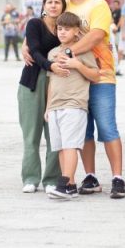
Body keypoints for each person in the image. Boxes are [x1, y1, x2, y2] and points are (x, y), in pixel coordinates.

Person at [26, 0, 125, 198]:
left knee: (107, 127)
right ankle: (90, 177)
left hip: (100, 74)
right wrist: (25, 44)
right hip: (72, 81)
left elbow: (96, 35)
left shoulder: (97, 4)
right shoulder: (62, 6)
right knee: (84, 132)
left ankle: (118, 178)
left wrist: (70, 54)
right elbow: (44, 25)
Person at [45, 11, 100, 200]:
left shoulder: (83, 51)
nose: (62, 32)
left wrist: (77, 65)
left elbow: (95, 75)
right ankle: (70, 185)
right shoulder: (53, 53)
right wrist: (47, 108)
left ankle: (63, 184)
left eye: (67, 29)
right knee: (60, 147)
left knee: (70, 146)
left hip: (74, 104)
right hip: (55, 106)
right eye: (60, 29)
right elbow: (51, 82)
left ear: (77, 31)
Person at [18, 0, 67, 193]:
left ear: (63, 6)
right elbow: (35, 50)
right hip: (32, 82)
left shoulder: (67, 28)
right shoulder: (34, 24)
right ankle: (30, 178)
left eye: (57, 2)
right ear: (44, 5)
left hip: (57, 84)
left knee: (54, 134)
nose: (53, 5)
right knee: (31, 134)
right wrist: (50, 65)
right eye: (50, 2)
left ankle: (51, 179)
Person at [110, 0, 122, 76]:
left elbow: (120, 21)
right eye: (113, 4)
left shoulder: (120, 11)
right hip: (112, 35)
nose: (114, 5)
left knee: (116, 49)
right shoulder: (113, 12)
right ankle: (115, 68)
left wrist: (116, 27)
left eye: (116, 4)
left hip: (117, 33)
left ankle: (117, 68)